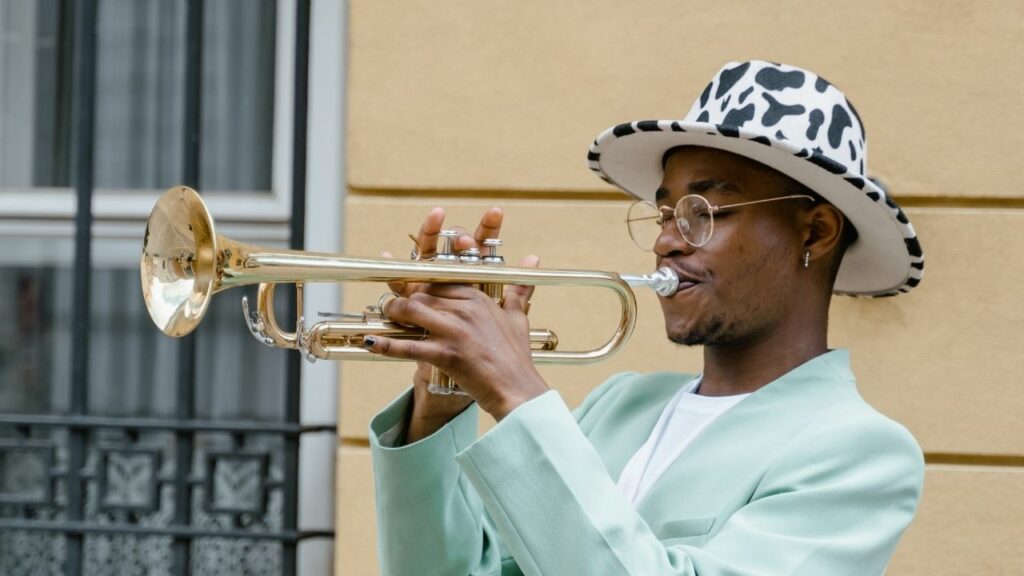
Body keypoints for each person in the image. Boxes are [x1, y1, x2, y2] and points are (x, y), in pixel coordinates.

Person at [362, 60, 925, 575]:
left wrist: (515, 390)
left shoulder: (859, 450)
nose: (664, 241)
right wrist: (440, 403)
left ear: (816, 231)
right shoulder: (620, 404)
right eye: (664, 213)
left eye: (704, 213)